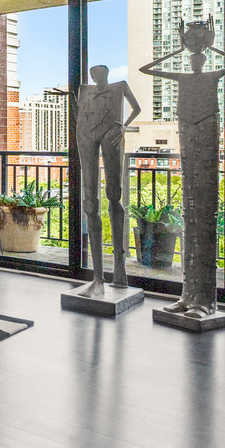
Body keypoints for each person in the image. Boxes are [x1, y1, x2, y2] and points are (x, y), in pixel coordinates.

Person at [140, 20, 225, 318]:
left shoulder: (212, 74)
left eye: (200, 57)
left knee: (204, 215)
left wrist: (211, 46)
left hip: (206, 129)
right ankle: (187, 296)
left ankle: (205, 300)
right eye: (193, 57)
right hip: (187, 129)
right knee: (189, 213)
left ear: (206, 59)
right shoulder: (183, 77)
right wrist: (178, 50)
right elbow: (148, 69)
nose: (196, 60)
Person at [73, 64, 141, 297]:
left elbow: (136, 108)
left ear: (106, 73)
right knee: (90, 202)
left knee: (114, 195)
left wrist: (124, 126)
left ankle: (119, 268)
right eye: (93, 73)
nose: (96, 76)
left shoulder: (119, 87)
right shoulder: (85, 90)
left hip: (112, 134)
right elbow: (81, 114)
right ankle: (98, 278)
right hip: (86, 135)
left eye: (99, 73)